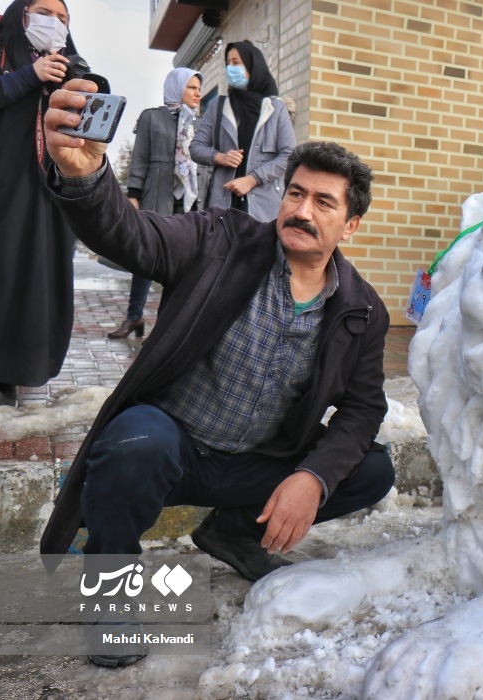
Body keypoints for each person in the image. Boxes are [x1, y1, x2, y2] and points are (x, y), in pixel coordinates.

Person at [42, 78, 395, 664]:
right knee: (132, 441)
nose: (301, 211)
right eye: (295, 193)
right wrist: (84, 176)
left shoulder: (361, 310)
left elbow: (362, 410)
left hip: (255, 466)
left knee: (369, 469)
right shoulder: (220, 240)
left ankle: (234, 532)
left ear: (350, 226)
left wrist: (310, 479)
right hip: (174, 448)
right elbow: (131, 234)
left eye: (323, 203)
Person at [0, 0, 78, 406]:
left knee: (44, 275)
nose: (56, 22)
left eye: (63, 18)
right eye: (45, 12)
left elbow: (91, 99)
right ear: (21, 13)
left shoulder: (67, 61)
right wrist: (29, 75)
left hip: (50, 194)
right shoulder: (4, 50)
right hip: (6, 192)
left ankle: (33, 371)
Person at [108, 67, 203, 340]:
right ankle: (134, 317)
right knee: (146, 258)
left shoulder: (199, 122)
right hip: (155, 195)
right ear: (177, 88)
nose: (198, 93)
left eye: (199, 88)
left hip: (188, 201)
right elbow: (140, 156)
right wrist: (134, 193)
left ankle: (170, 325)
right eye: (192, 87)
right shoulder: (152, 117)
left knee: (183, 262)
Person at [190, 40, 295, 221]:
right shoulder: (218, 106)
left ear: (252, 66)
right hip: (223, 205)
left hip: (264, 208)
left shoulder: (276, 108)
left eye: (236, 62)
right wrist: (219, 157)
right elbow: (196, 147)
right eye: (227, 63)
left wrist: (252, 179)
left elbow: (290, 154)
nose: (230, 68)